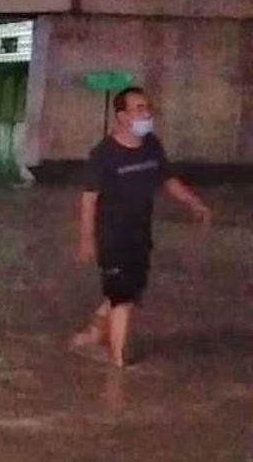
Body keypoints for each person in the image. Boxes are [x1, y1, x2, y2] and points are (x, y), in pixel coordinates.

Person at [72, 87, 211, 368]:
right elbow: (89, 199)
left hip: (140, 234)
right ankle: (118, 362)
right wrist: (86, 240)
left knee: (131, 291)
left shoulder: (151, 145)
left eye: (147, 107)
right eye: (139, 108)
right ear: (122, 116)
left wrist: (194, 203)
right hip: (112, 236)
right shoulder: (104, 154)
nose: (146, 113)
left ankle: (93, 332)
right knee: (122, 298)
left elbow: (167, 179)